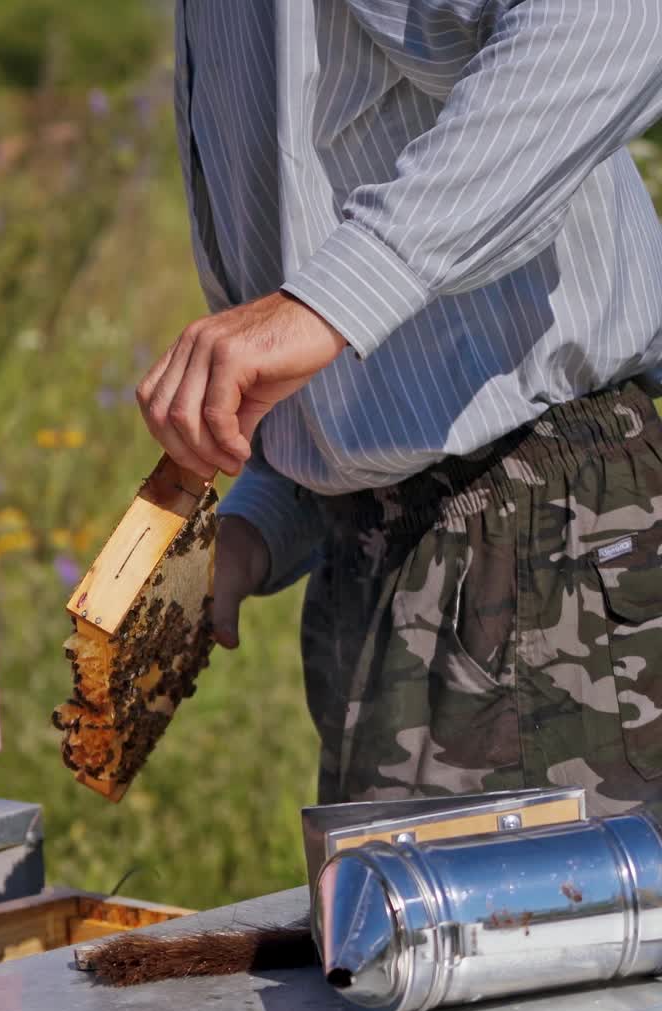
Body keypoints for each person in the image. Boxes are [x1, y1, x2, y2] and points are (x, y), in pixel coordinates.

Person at [138, 2, 662, 817]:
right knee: (388, 932)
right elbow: (370, 370)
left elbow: (611, 20)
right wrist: (254, 525)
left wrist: (334, 298)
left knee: (545, 939)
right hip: (387, 572)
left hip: (536, 543)